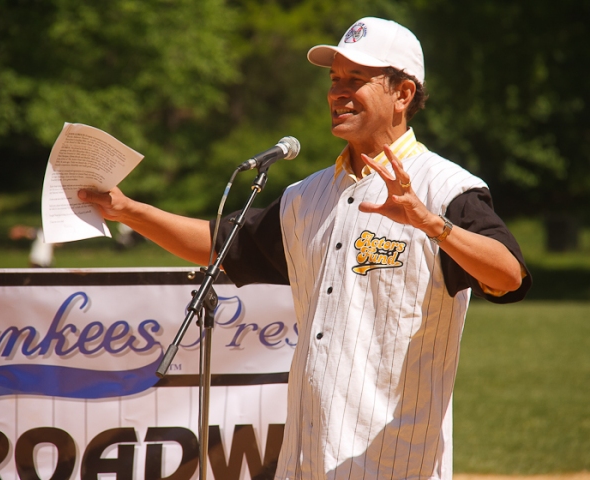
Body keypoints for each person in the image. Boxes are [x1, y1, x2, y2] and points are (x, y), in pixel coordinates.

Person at [78, 17, 531, 480]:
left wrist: (431, 223)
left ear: (403, 94)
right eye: (335, 79)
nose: (338, 92)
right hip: (306, 459)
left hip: (395, 463)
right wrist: (128, 210)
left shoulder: (445, 189)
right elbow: (221, 246)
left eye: (356, 79)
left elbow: (508, 275)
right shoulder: (306, 197)